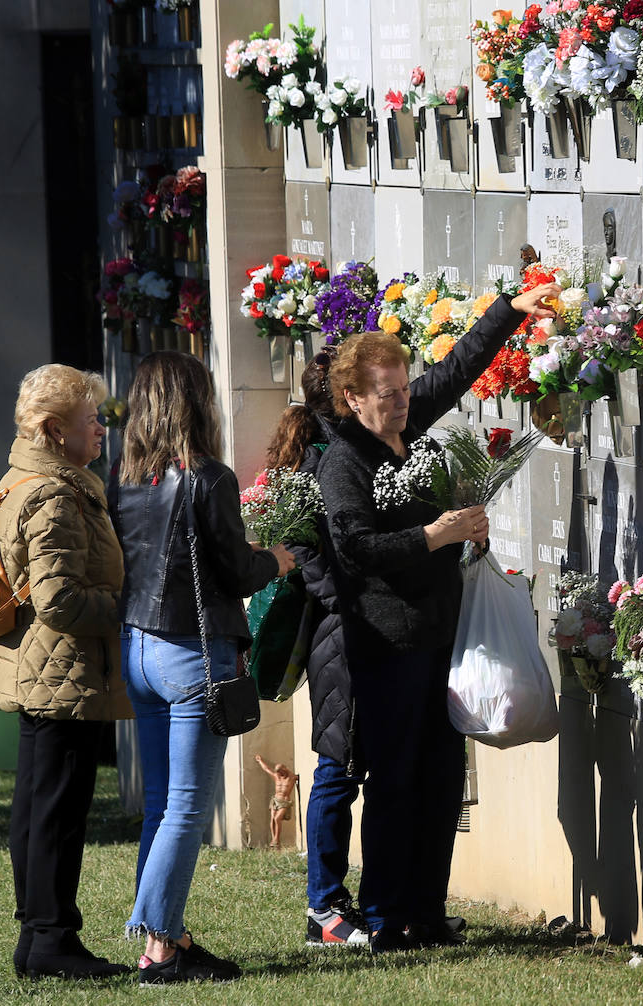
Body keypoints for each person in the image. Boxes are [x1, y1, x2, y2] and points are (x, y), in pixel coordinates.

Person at [318, 282, 560, 952]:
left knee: (441, 775)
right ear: (353, 399)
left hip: (438, 635)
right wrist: (435, 535)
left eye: (401, 390)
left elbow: (458, 370)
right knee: (394, 780)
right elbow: (355, 548)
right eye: (385, 394)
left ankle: (427, 908)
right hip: (387, 645)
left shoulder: (409, 427)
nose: (400, 402)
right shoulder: (344, 462)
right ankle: (387, 913)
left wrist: (511, 309)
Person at [108, 351, 295, 986]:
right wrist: (281, 558)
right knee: (188, 804)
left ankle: (171, 936)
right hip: (192, 650)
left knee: (163, 800)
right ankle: (159, 948)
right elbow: (239, 570)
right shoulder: (208, 477)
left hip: (139, 648)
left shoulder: (124, 475)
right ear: (195, 402)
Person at [0, 364, 133, 981]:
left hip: (44, 671)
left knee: (39, 806)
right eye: (89, 420)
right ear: (53, 431)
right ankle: (49, 939)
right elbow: (61, 601)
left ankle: (38, 937)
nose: (100, 429)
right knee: (54, 810)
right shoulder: (52, 493)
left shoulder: (31, 478)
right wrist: (136, 607)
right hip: (62, 675)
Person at [263, 360, 371, 948]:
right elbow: (306, 551)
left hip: (352, 630)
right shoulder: (320, 459)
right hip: (341, 633)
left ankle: (346, 903)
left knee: (351, 766)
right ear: (344, 399)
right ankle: (324, 907)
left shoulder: (343, 448)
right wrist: (349, 604)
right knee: (337, 768)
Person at [254, 754, 298, 848]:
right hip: (275, 800)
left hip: (285, 801)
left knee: (277, 818)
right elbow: (266, 769)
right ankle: (274, 840)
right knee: (272, 819)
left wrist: (285, 770)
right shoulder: (276, 777)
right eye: (278, 772)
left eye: (281, 772)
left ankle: (277, 839)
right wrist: (260, 761)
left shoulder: (292, 778)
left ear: (285, 770)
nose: (280, 774)